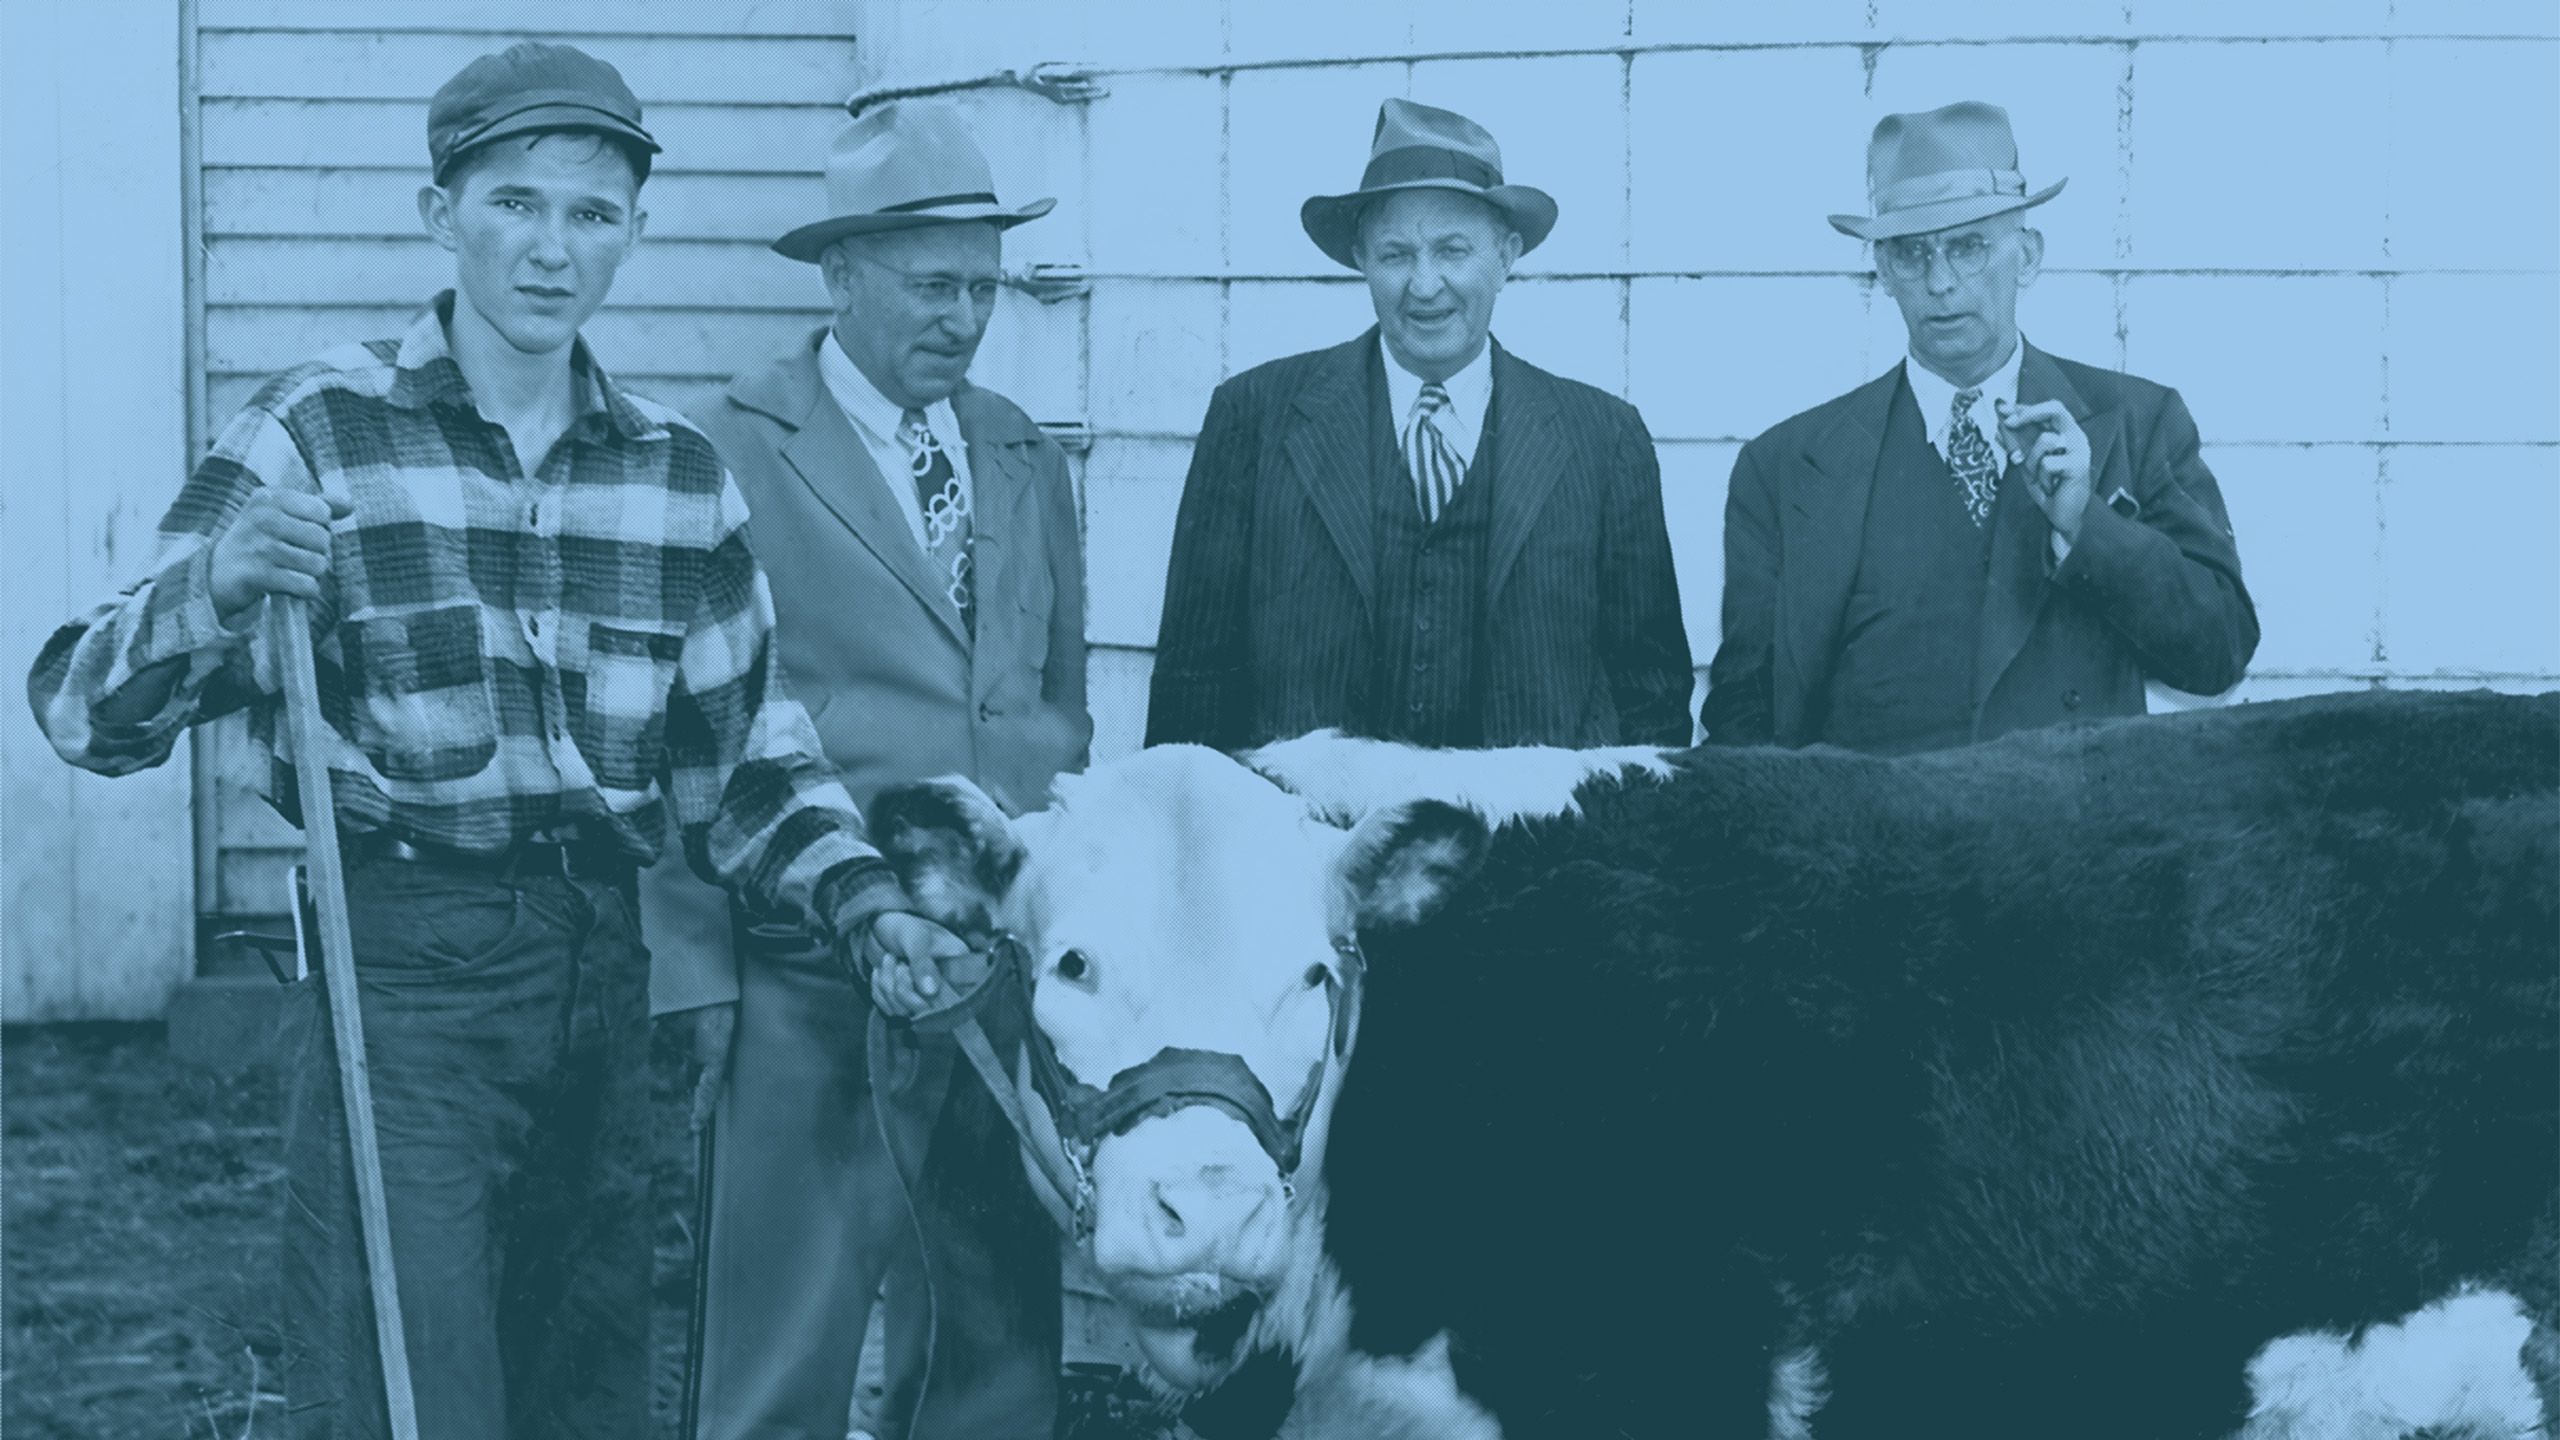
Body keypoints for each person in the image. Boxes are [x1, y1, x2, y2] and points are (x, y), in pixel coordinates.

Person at [25, 42, 966, 1440]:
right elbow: (79, 711)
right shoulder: (319, 433)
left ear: (635, 235)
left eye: (593, 216)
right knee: (413, 1392)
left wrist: (867, 902)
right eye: (515, 204)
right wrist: (212, 589)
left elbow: (750, 768)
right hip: (401, 983)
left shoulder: (673, 476)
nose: (552, 250)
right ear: (440, 214)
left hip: (604, 977)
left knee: (582, 1394)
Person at [640, 101, 1087, 1440]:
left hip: (997, 966)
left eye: (986, 289)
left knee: (997, 1334)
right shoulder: (730, 447)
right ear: (842, 279)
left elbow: (1052, 698)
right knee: (787, 1329)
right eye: (934, 286)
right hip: (808, 968)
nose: (964, 317)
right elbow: (679, 734)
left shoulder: (1018, 449)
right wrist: (695, 973)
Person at [1701, 101, 2258, 753]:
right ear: (1881, 270)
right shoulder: (1786, 465)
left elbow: (2218, 656)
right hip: (1869, 847)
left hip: (2070, 844)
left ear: (2026, 256)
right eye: (1911, 254)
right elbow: (1744, 717)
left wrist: (2087, 527)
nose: (1940, 283)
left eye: (1968, 248)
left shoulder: (2136, 423)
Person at [1144, 98, 1694, 751]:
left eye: (1453, 250)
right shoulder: (1254, 416)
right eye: (1396, 254)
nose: (1425, 284)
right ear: (1361, 259)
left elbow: (1651, 700)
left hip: (1536, 847)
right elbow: (1193, 684)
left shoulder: (1604, 436)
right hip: (1311, 842)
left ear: (1506, 255)